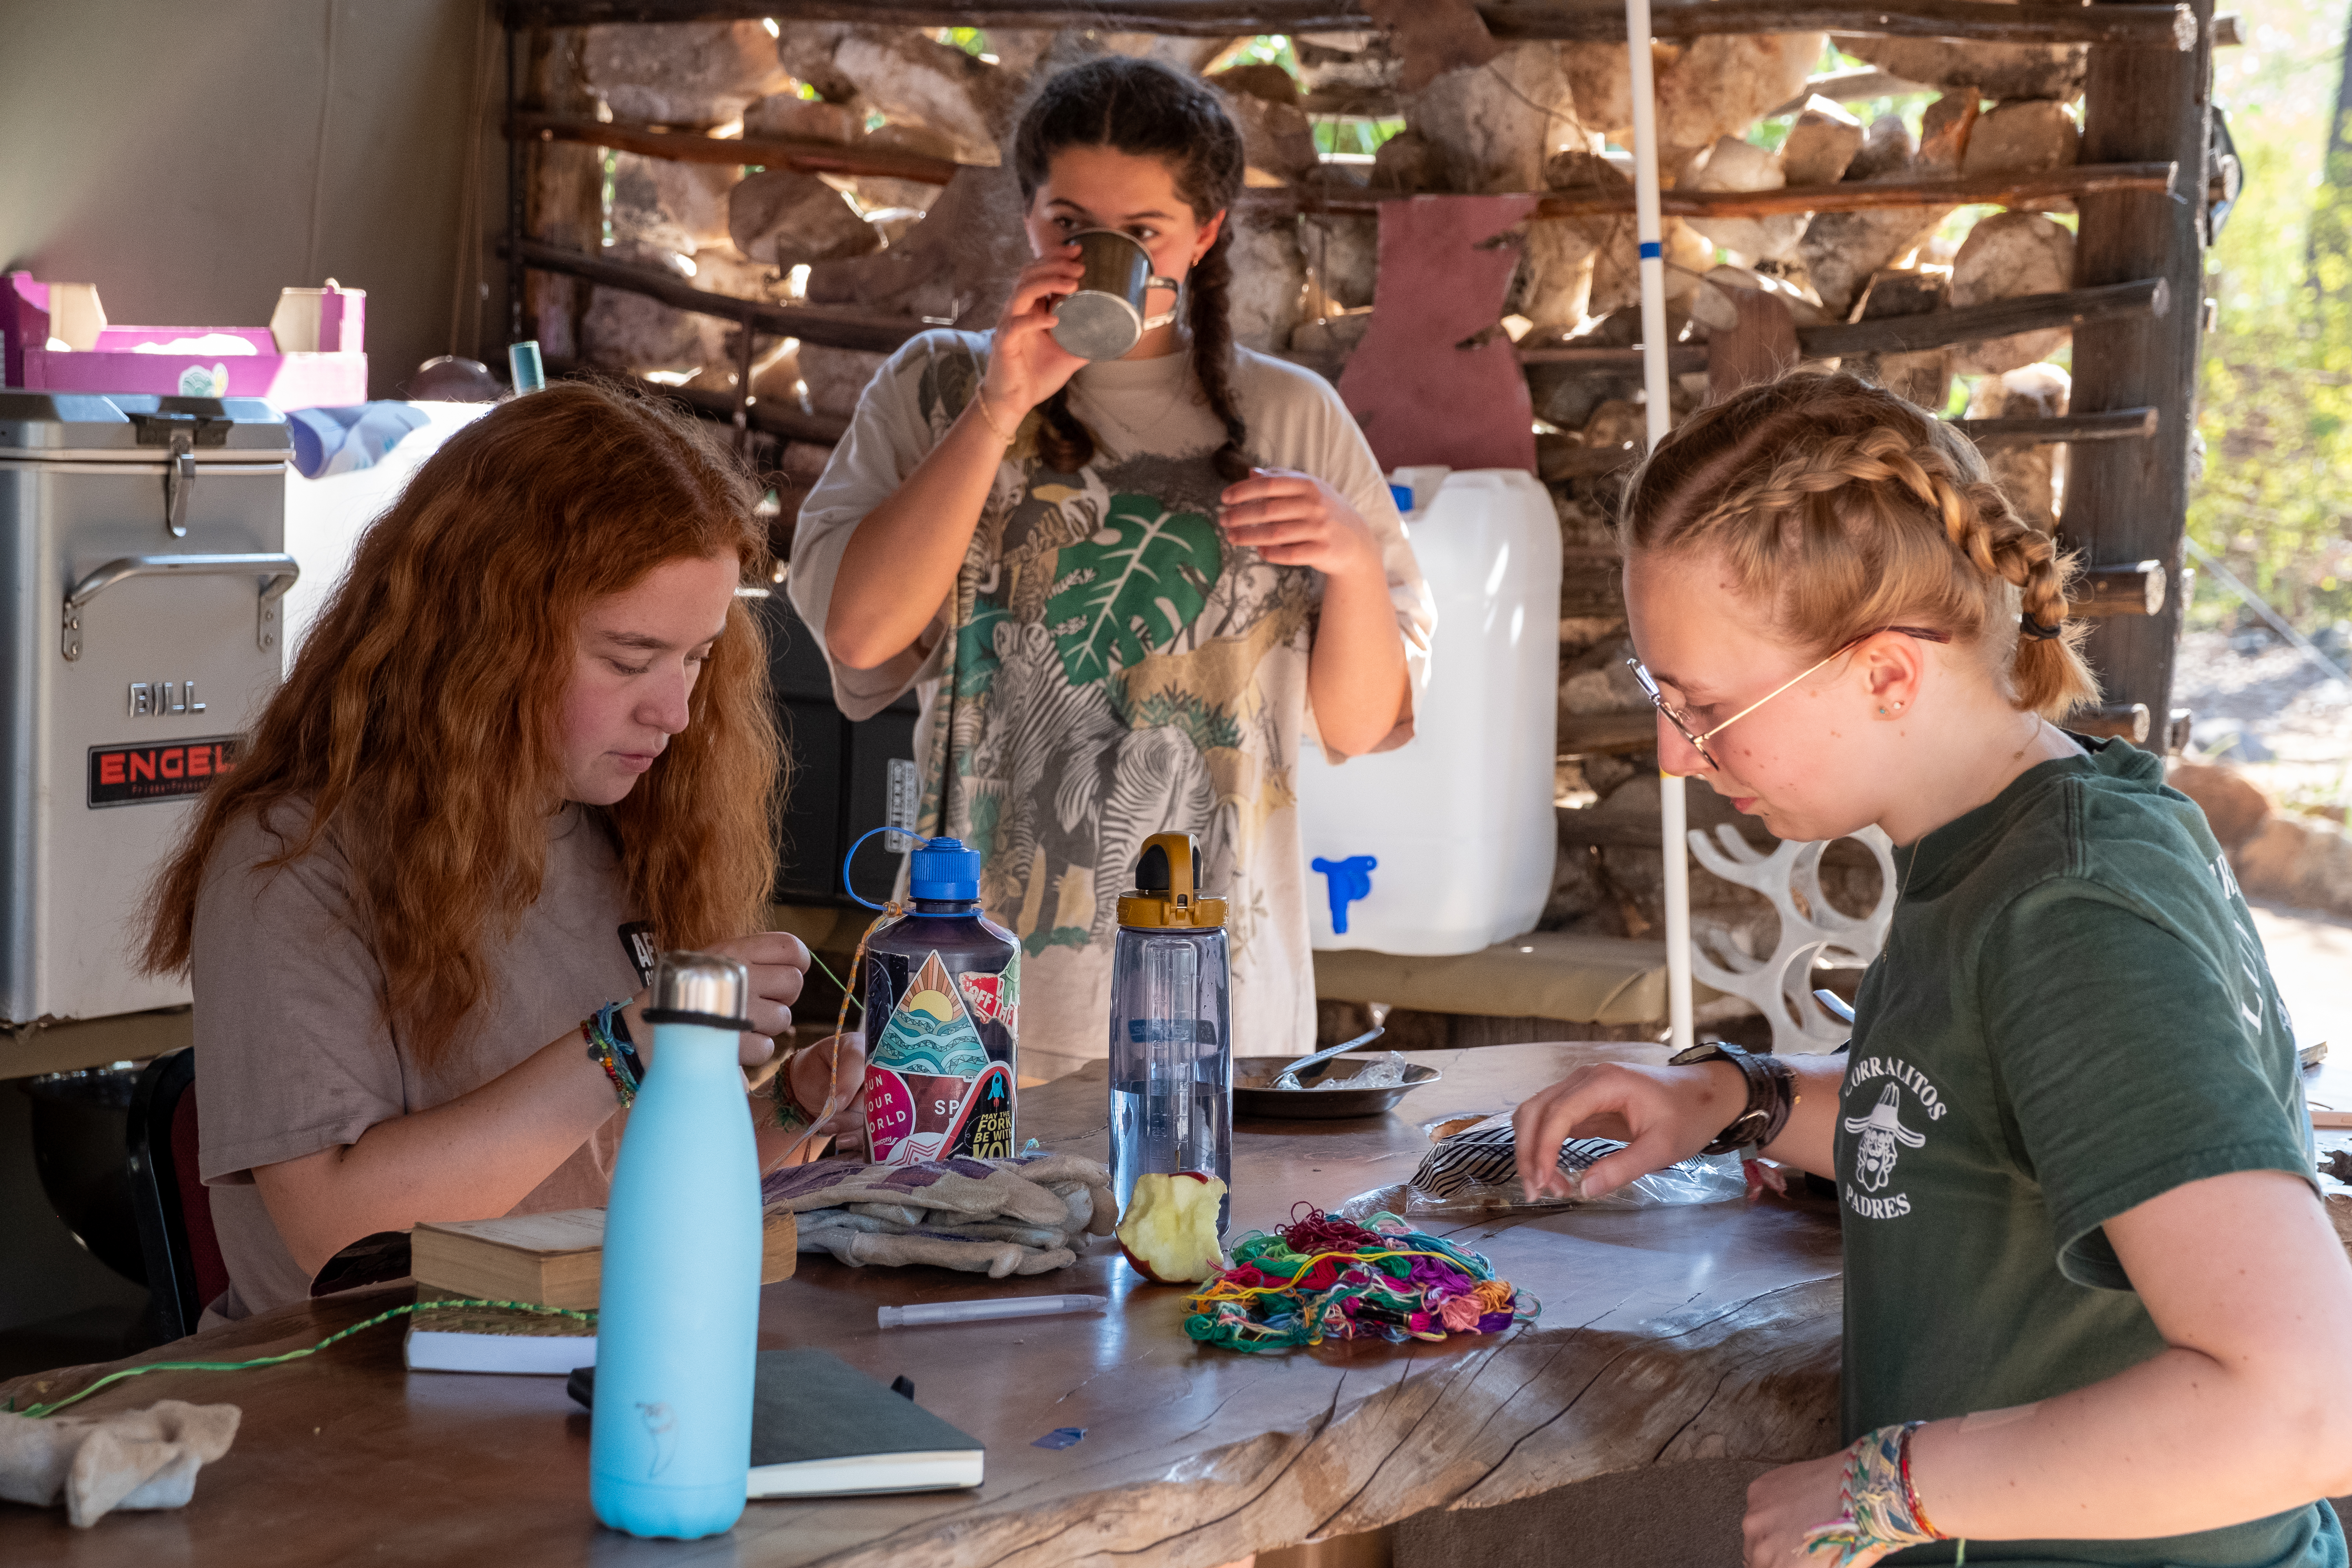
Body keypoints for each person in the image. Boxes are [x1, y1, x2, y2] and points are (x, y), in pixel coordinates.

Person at [1512, 372, 2352, 1568]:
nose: (1677, 753)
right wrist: (1736, 1101)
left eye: (1702, 704)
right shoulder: (2003, 841)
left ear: (1887, 674)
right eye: (1663, 698)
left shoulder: (2073, 909)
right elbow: (1967, 1123)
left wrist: (1887, 1490)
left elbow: (2307, 1409)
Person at [142, 382, 857, 1323]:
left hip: (584, 1356)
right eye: (628, 658)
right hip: (355, 1405)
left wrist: (794, 1111)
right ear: (479, 637)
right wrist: (629, 1042)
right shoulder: (294, 861)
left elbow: (605, 1187)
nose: (676, 712)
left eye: (697, 655)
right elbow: (340, 1235)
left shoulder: (634, 825)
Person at [787, 55, 1434, 1080]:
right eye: (1071, 225)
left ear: (1207, 233)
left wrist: (1354, 560)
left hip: (1225, 1003)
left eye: (1142, 235)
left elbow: (1358, 724)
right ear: (1028, 216)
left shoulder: (1293, 415)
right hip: (965, 990)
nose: (1101, 255)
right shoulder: (934, 386)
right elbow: (862, 637)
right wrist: (1000, 408)